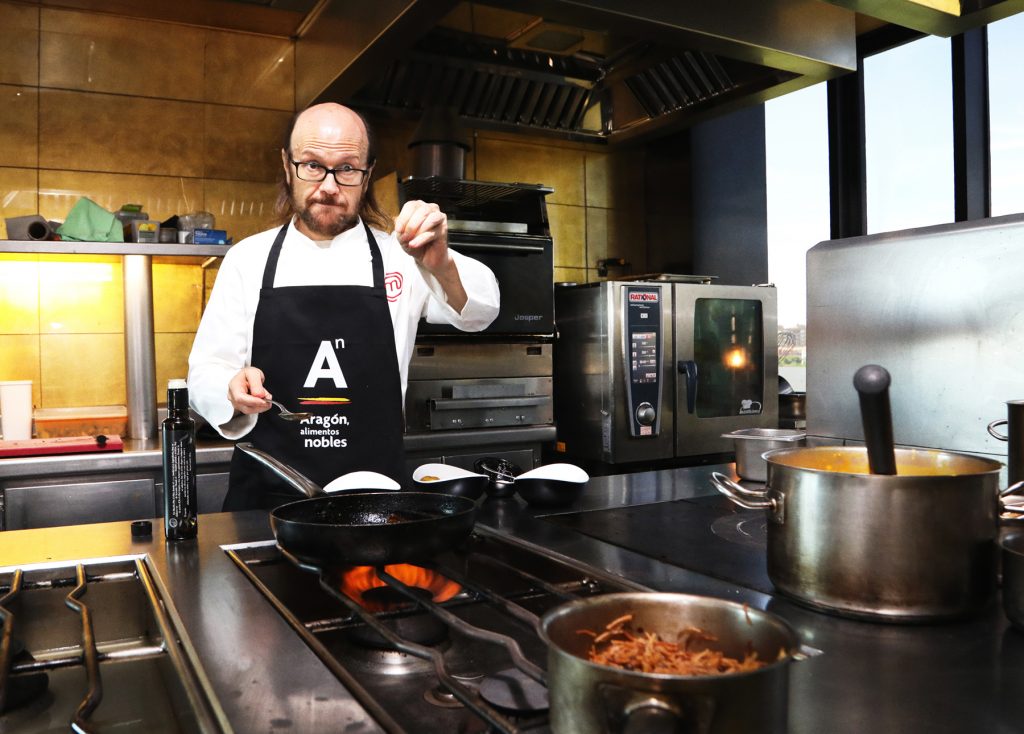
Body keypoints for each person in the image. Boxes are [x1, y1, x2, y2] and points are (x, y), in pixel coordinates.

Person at [188, 103, 499, 510]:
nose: (329, 186)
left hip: (376, 501)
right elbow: (205, 373)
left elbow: (481, 311)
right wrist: (231, 390)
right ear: (287, 165)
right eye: (313, 165)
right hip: (268, 502)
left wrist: (442, 264)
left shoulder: (402, 258)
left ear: (368, 173)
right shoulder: (249, 259)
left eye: (347, 169)